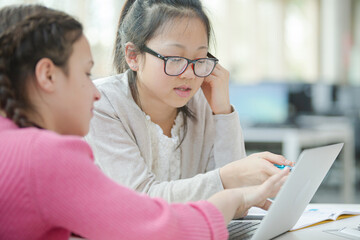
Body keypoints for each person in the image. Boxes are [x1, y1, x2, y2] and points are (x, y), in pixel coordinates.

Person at [0, 4, 290, 240]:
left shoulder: (16, 145)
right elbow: (145, 220)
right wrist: (230, 196)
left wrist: (223, 114)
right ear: (47, 75)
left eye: (200, 59)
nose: (94, 91)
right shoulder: (47, 156)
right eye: (86, 74)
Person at [85, 0, 292, 202]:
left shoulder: (201, 102)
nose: (190, 74)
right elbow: (141, 201)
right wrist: (228, 178)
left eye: (199, 59)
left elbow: (240, 198)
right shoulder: (102, 103)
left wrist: (222, 112)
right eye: (175, 59)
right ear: (133, 56)